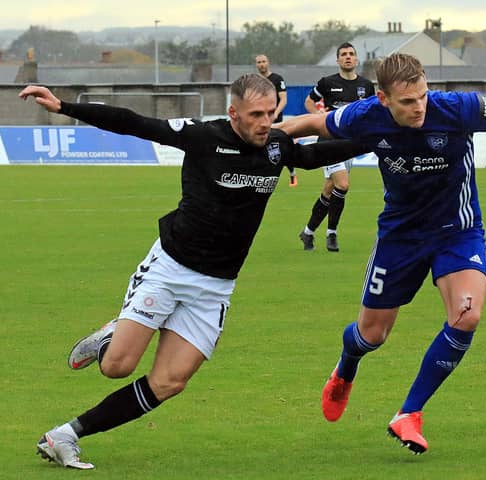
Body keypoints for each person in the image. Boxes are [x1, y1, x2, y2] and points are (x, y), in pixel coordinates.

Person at [20, 75, 368, 469]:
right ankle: (111, 336)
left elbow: (310, 157)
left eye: (271, 113)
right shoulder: (203, 137)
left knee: (170, 382)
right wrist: (64, 106)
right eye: (256, 114)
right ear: (233, 112)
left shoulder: (275, 144)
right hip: (170, 268)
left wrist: (384, 138)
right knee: (117, 367)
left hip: (216, 287)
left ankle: (64, 436)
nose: (265, 122)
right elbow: (134, 122)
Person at [279, 53, 486, 455]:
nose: (418, 106)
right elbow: (315, 123)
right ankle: (345, 367)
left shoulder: (458, 107)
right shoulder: (364, 115)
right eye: (407, 101)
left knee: (467, 315)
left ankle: (410, 413)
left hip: (458, 232)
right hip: (400, 237)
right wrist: (263, 134)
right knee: (372, 336)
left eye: (422, 96)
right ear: (384, 99)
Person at [298, 42, 375, 252]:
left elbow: (370, 112)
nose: (348, 57)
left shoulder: (367, 86)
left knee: (329, 190)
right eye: (344, 54)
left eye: (351, 54)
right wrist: (320, 118)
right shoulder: (327, 82)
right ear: (338, 60)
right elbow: (309, 102)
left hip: (350, 144)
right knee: (342, 185)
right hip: (329, 142)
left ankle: (308, 232)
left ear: (356, 59)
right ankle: (331, 234)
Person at [255, 53, 298, 187]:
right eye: (259, 62)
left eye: (263, 61)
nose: (261, 64)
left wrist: (275, 114)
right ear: (256, 65)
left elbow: (283, 99)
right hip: (260, 120)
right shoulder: (255, 81)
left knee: (282, 148)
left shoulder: (277, 79)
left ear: (268, 63)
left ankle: (292, 173)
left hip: (276, 121)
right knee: (258, 147)